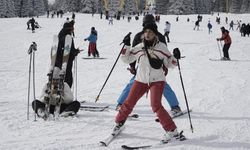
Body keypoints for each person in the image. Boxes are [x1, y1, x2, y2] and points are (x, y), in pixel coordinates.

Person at [113, 23, 185, 141]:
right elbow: (126, 59)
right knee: (128, 103)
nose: (147, 34)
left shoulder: (161, 47)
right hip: (141, 79)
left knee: (156, 105)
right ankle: (119, 123)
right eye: (145, 32)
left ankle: (172, 130)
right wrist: (126, 45)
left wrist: (176, 58)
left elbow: (169, 63)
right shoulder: (139, 47)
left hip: (157, 80)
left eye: (150, 32)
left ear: (155, 34)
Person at [117, 14, 183, 116]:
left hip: (154, 66)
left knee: (134, 84)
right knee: (162, 85)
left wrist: (132, 67)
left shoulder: (156, 36)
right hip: (148, 66)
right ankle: (175, 106)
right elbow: (134, 53)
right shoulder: (147, 35)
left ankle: (120, 103)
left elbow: (164, 54)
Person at [55, 21, 80, 88]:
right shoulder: (68, 37)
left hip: (57, 60)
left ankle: (58, 91)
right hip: (66, 61)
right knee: (67, 77)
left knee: (58, 74)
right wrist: (75, 52)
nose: (72, 31)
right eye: (72, 29)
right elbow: (70, 50)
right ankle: (66, 92)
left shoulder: (60, 35)